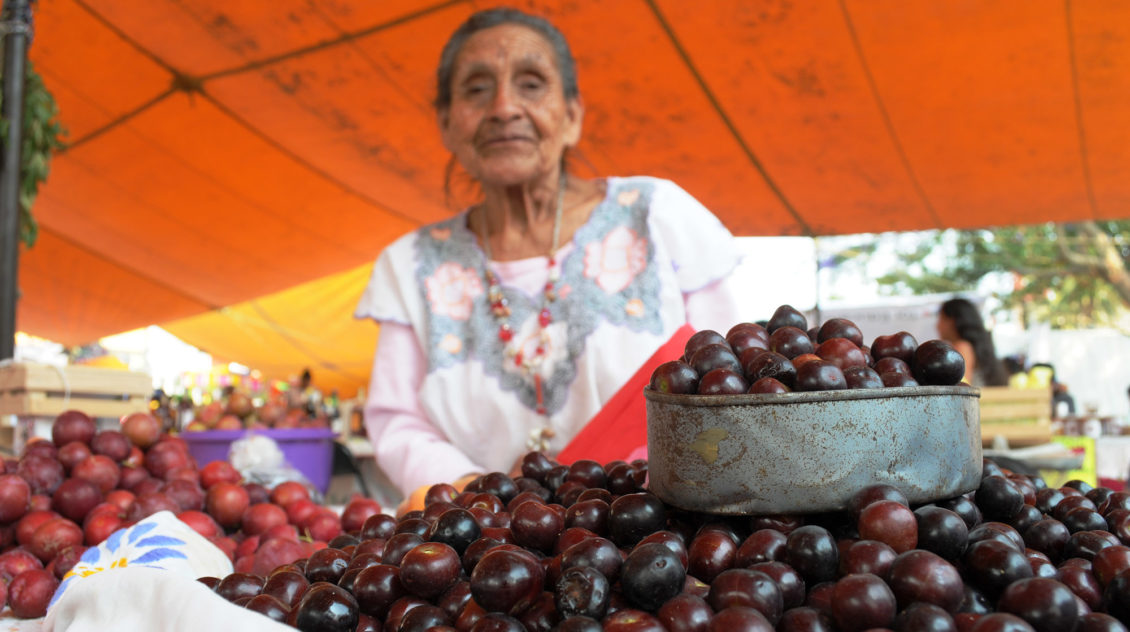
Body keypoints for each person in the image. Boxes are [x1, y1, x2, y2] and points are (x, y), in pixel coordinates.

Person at [355, 8, 745, 501]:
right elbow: (398, 421)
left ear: (572, 116)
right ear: (447, 123)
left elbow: (727, 378)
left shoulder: (655, 215)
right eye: (476, 89)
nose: (503, 107)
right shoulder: (409, 265)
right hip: (488, 547)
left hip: (663, 527)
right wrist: (477, 494)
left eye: (532, 84)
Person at [936, 297, 1009, 387]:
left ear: (952, 321)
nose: (937, 325)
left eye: (941, 318)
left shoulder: (962, 347)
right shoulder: (976, 347)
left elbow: (960, 387)